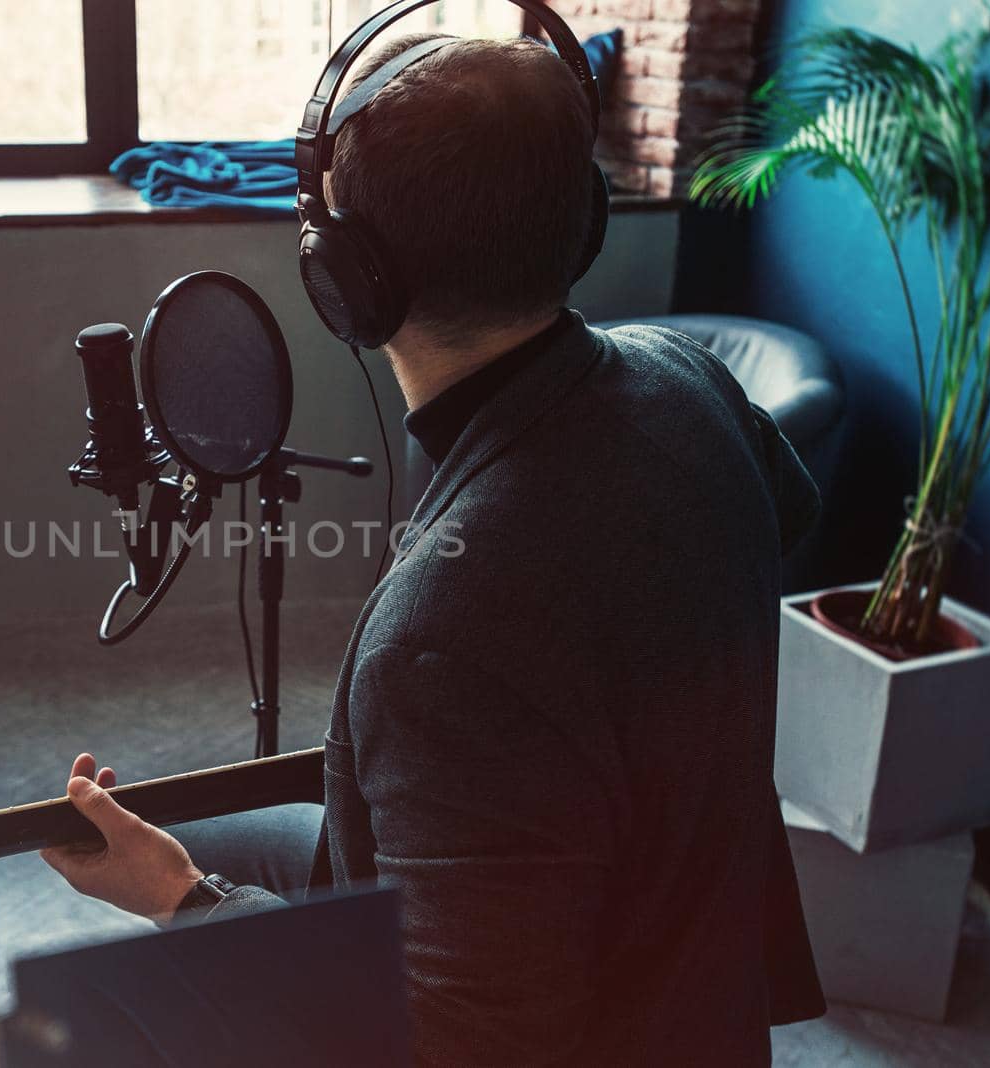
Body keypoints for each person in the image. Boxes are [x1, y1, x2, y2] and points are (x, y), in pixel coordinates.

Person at [42, 33, 825, 1065]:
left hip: (591, 1028)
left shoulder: (442, 641)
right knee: (252, 834)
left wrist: (180, 901)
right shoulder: (692, 381)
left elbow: (450, 1042)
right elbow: (789, 516)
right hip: (684, 976)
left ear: (347, 281)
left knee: (98, 1003)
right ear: (580, 218)